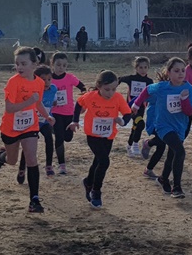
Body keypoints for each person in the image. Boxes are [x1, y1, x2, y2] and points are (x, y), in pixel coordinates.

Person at [0, 47, 55, 213]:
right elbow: (10, 108)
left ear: (34, 64)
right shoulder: (13, 82)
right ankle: (0, 156)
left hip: (30, 125)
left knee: (31, 159)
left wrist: (47, 116)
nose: (19, 67)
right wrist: (29, 102)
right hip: (11, 126)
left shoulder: (39, 82)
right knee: (12, 160)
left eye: (23, 63)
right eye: (17, 63)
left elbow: (38, 103)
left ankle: (34, 200)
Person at [131, 57, 192, 198]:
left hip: (180, 127)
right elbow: (147, 90)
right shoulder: (162, 87)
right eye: (176, 71)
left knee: (173, 155)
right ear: (169, 72)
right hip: (163, 126)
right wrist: (136, 104)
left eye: (183, 70)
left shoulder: (189, 89)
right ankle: (177, 187)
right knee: (180, 152)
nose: (180, 73)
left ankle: (163, 178)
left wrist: (184, 100)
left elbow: (189, 112)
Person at [68, 71, 132, 209]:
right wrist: (74, 121)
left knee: (98, 161)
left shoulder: (118, 98)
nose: (110, 93)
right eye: (107, 89)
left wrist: (122, 121)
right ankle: (96, 192)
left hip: (108, 136)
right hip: (93, 135)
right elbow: (79, 103)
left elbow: (128, 113)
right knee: (104, 161)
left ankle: (88, 181)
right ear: (99, 86)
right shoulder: (91, 97)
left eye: (114, 89)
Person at [17, 65, 57, 181]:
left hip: (45, 121)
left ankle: (48, 165)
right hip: (32, 123)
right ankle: (22, 168)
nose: (47, 82)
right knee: (28, 147)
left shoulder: (53, 89)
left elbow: (53, 101)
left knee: (49, 139)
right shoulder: (33, 90)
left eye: (49, 79)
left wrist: (52, 107)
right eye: (43, 79)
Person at [50, 52, 87, 174]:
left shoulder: (70, 78)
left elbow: (83, 87)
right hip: (55, 113)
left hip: (69, 113)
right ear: (52, 65)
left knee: (68, 138)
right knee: (59, 138)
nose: (61, 68)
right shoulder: (48, 79)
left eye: (64, 65)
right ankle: (62, 164)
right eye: (58, 65)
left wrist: (83, 98)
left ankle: (54, 130)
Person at [119, 57, 153, 157]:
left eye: (145, 67)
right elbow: (119, 79)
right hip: (130, 108)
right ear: (136, 68)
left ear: (148, 68)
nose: (143, 70)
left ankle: (129, 145)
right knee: (141, 124)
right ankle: (135, 144)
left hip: (142, 108)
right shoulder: (131, 78)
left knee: (136, 127)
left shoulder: (149, 81)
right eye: (140, 67)